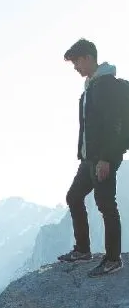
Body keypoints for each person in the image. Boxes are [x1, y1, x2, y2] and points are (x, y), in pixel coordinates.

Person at [58, 38, 123, 276]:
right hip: (89, 159)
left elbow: (114, 124)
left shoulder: (105, 85)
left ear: (87, 58)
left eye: (76, 62)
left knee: (106, 205)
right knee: (74, 197)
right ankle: (83, 250)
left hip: (102, 158)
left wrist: (106, 158)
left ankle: (113, 259)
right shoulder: (91, 86)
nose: (75, 67)